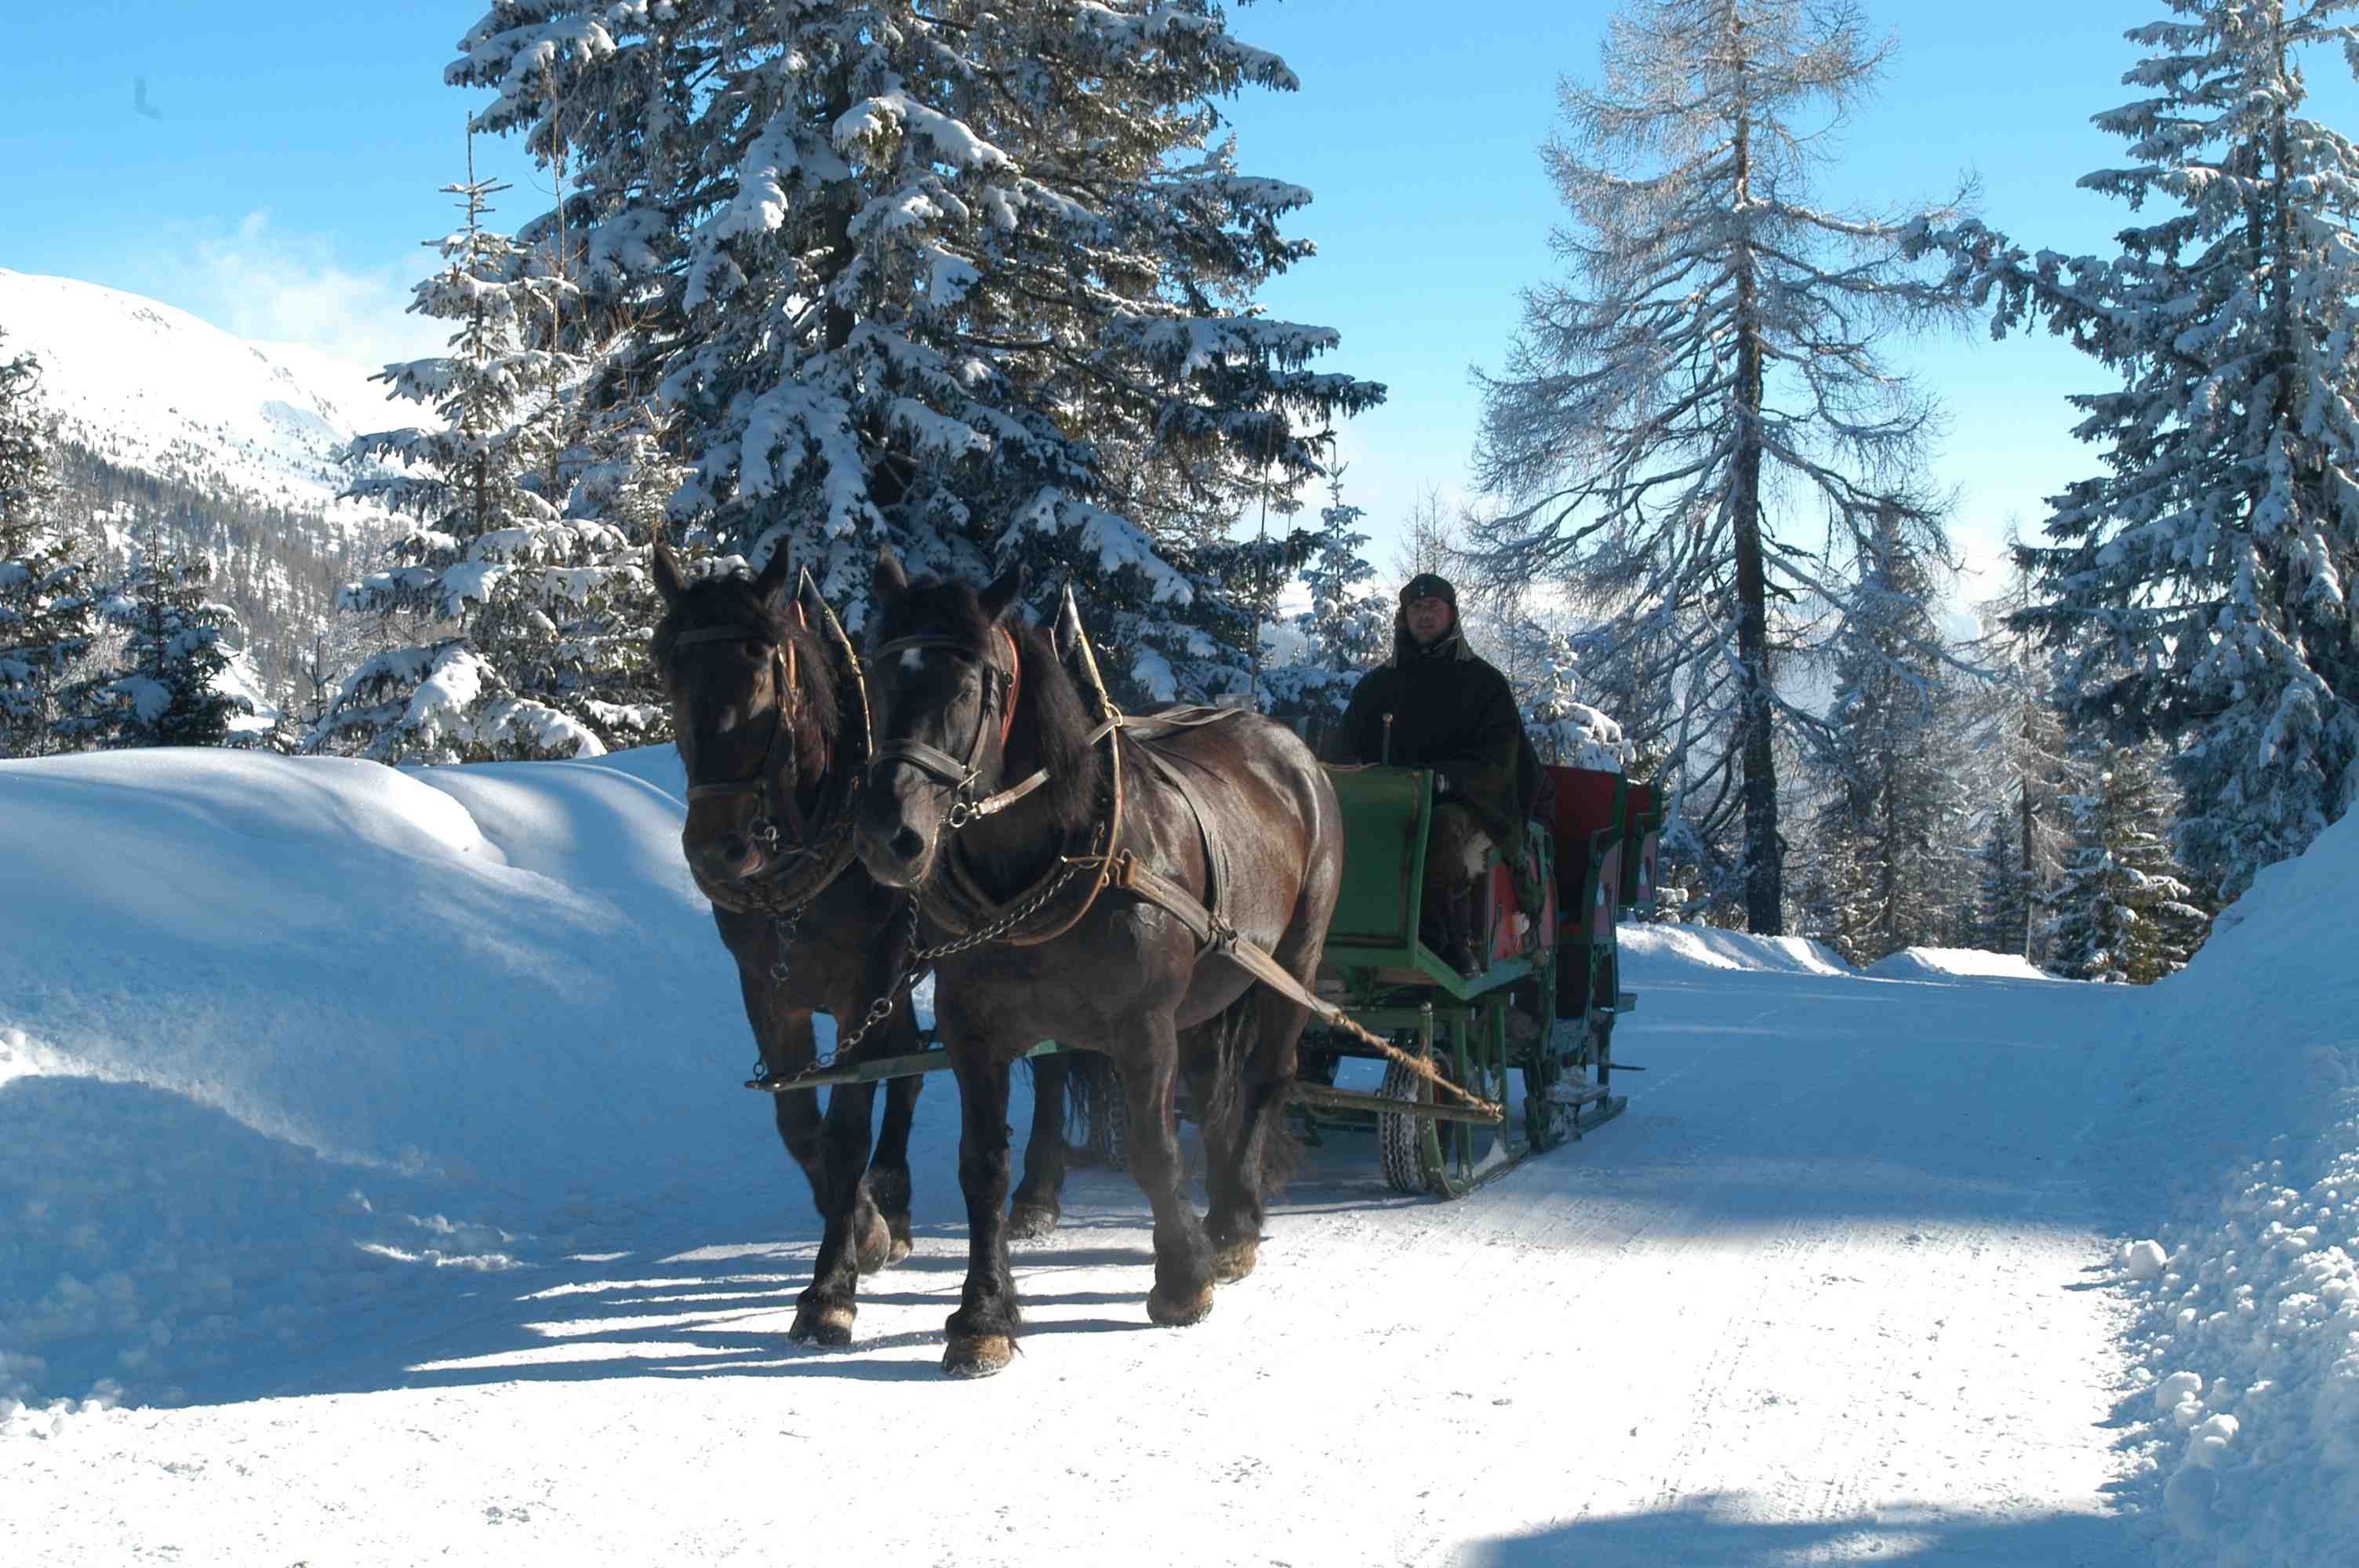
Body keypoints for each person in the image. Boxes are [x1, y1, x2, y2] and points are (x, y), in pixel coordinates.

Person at [1329, 572, 1539, 979]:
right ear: (1403, 617)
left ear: (1452, 614)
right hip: (1384, 799)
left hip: (1465, 803)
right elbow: (1343, 748)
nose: (1424, 615)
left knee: (1440, 829)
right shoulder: (1376, 686)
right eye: (1416, 608)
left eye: (1433, 607)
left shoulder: (1485, 684)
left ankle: (1450, 939)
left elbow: (1500, 760)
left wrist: (1448, 779)